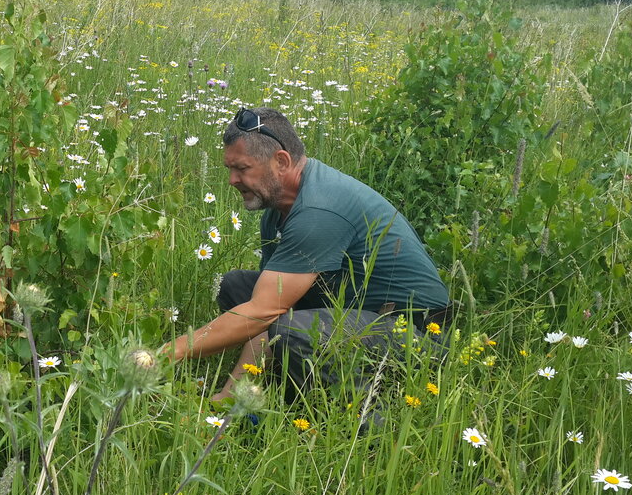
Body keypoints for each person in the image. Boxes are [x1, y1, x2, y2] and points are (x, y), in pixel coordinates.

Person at [161, 107, 451, 404]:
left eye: (242, 169)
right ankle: (278, 384)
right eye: (229, 170)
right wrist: (230, 395)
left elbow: (265, 312)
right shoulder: (279, 209)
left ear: (281, 161)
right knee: (237, 286)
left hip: (415, 330)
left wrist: (169, 353)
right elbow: (265, 312)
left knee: (291, 329)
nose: (232, 180)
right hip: (351, 309)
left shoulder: (318, 209)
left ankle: (361, 416)